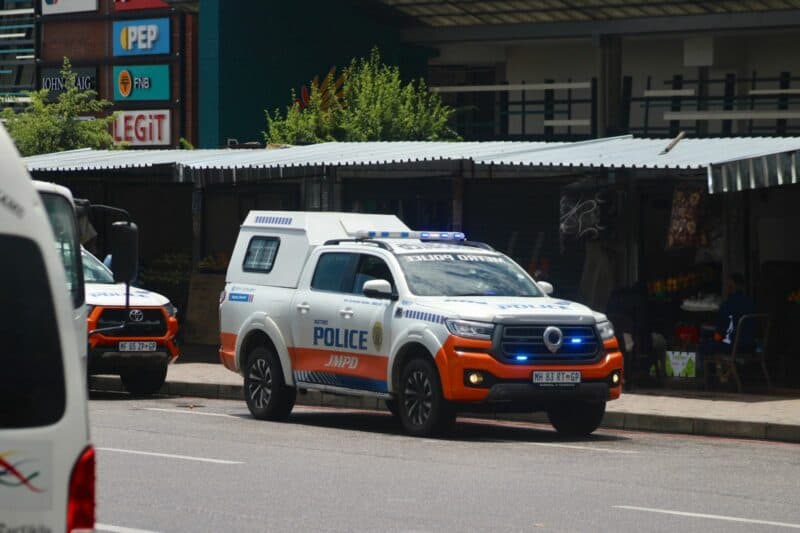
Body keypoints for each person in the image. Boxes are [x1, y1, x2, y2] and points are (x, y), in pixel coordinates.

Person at [698, 273, 756, 381]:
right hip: (750, 345)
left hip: (733, 346)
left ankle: (707, 380)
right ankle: (724, 374)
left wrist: (712, 336)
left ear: (731, 286)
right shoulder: (751, 303)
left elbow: (720, 331)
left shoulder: (728, 305)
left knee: (705, 344)